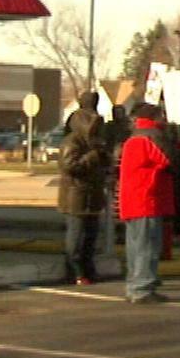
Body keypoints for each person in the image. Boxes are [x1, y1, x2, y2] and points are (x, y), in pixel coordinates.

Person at [118, 103, 173, 304]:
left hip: (133, 200)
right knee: (147, 245)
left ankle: (134, 284)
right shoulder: (151, 137)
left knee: (135, 246)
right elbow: (168, 159)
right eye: (161, 116)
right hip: (147, 199)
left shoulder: (133, 138)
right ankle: (142, 287)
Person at [57, 91, 109, 285]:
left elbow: (102, 165)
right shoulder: (72, 142)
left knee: (90, 236)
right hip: (76, 196)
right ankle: (74, 269)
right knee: (76, 238)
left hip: (92, 195)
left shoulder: (94, 143)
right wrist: (92, 157)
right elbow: (70, 166)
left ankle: (88, 267)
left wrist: (104, 159)